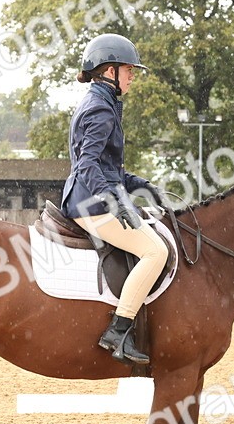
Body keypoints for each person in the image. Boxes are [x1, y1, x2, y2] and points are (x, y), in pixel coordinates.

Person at [61, 33, 168, 366]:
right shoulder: (101, 110)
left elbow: (108, 166)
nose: (132, 76)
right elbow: (86, 165)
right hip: (90, 204)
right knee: (155, 251)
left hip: (91, 196)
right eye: (128, 70)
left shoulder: (103, 104)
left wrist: (141, 184)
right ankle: (118, 330)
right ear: (110, 71)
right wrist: (113, 200)